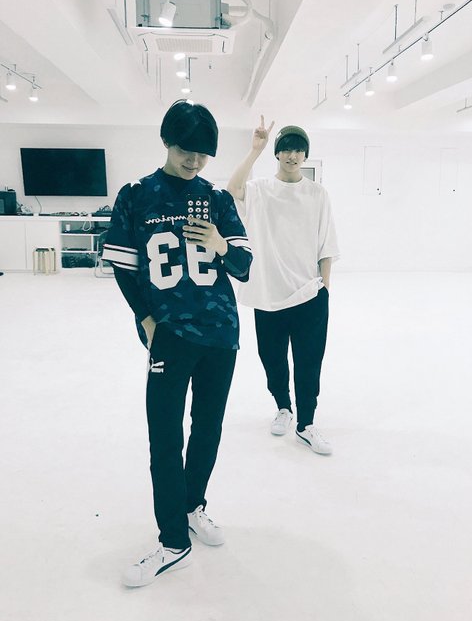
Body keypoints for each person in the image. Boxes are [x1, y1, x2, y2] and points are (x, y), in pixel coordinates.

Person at [103, 100, 252, 587]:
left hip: (221, 333)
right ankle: (172, 541)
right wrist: (146, 319)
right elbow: (124, 268)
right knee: (164, 435)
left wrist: (220, 244)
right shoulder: (136, 195)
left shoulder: (217, 199)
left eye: (204, 153)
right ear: (167, 141)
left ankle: (192, 506)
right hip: (169, 334)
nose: (195, 160)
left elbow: (244, 267)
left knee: (207, 427)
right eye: (187, 149)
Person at [227, 117, 339, 455]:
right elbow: (232, 190)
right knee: (272, 359)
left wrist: (325, 289)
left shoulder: (317, 194)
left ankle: (306, 424)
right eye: (287, 149)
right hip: (269, 294)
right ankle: (283, 408)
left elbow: (327, 244)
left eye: (299, 150)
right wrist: (254, 150)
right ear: (277, 154)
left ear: (305, 155)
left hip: (309, 294)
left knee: (309, 363)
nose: (293, 155)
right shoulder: (260, 189)